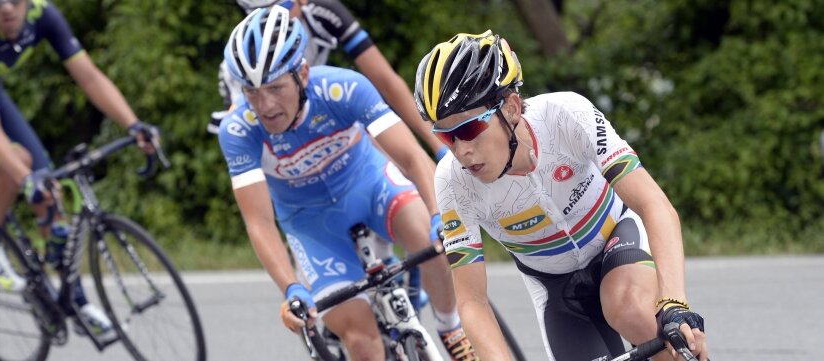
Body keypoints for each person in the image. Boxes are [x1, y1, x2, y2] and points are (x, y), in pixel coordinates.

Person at [413, 31, 709, 361]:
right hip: (554, 287)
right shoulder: (454, 182)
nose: (461, 150)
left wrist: (674, 305)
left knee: (630, 309)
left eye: (468, 129)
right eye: (446, 136)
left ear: (510, 108)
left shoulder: (565, 115)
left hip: (615, 240)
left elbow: (654, 204)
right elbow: (472, 302)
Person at [219, 7, 478, 361]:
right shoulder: (238, 130)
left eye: (276, 88)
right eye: (252, 92)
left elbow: (411, 158)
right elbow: (259, 221)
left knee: (432, 245)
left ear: (303, 74)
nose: (265, 105)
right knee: (362, 343)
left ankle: (451, 328)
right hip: (311, 225)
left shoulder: (342, 88)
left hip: (369, 187)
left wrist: (440, 216)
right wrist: (292, 288)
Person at [0, 0, 158, 342]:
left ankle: (76, 302)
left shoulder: (44, 17)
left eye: (17, 0)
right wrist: (24, 178)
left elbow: (88, 75)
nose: (9, 8)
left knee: (50, 190)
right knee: (15, 166)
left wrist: (132, 125)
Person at [210, 0, 449, 161]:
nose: (278, 19)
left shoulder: (323, 10)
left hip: (320, 103)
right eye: (265, 14)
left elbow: (385, 80)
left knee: (385, 148)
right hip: (282, 133)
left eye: (285, 5)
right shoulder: (236, 64)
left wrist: (437, 143)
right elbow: (252, 141)